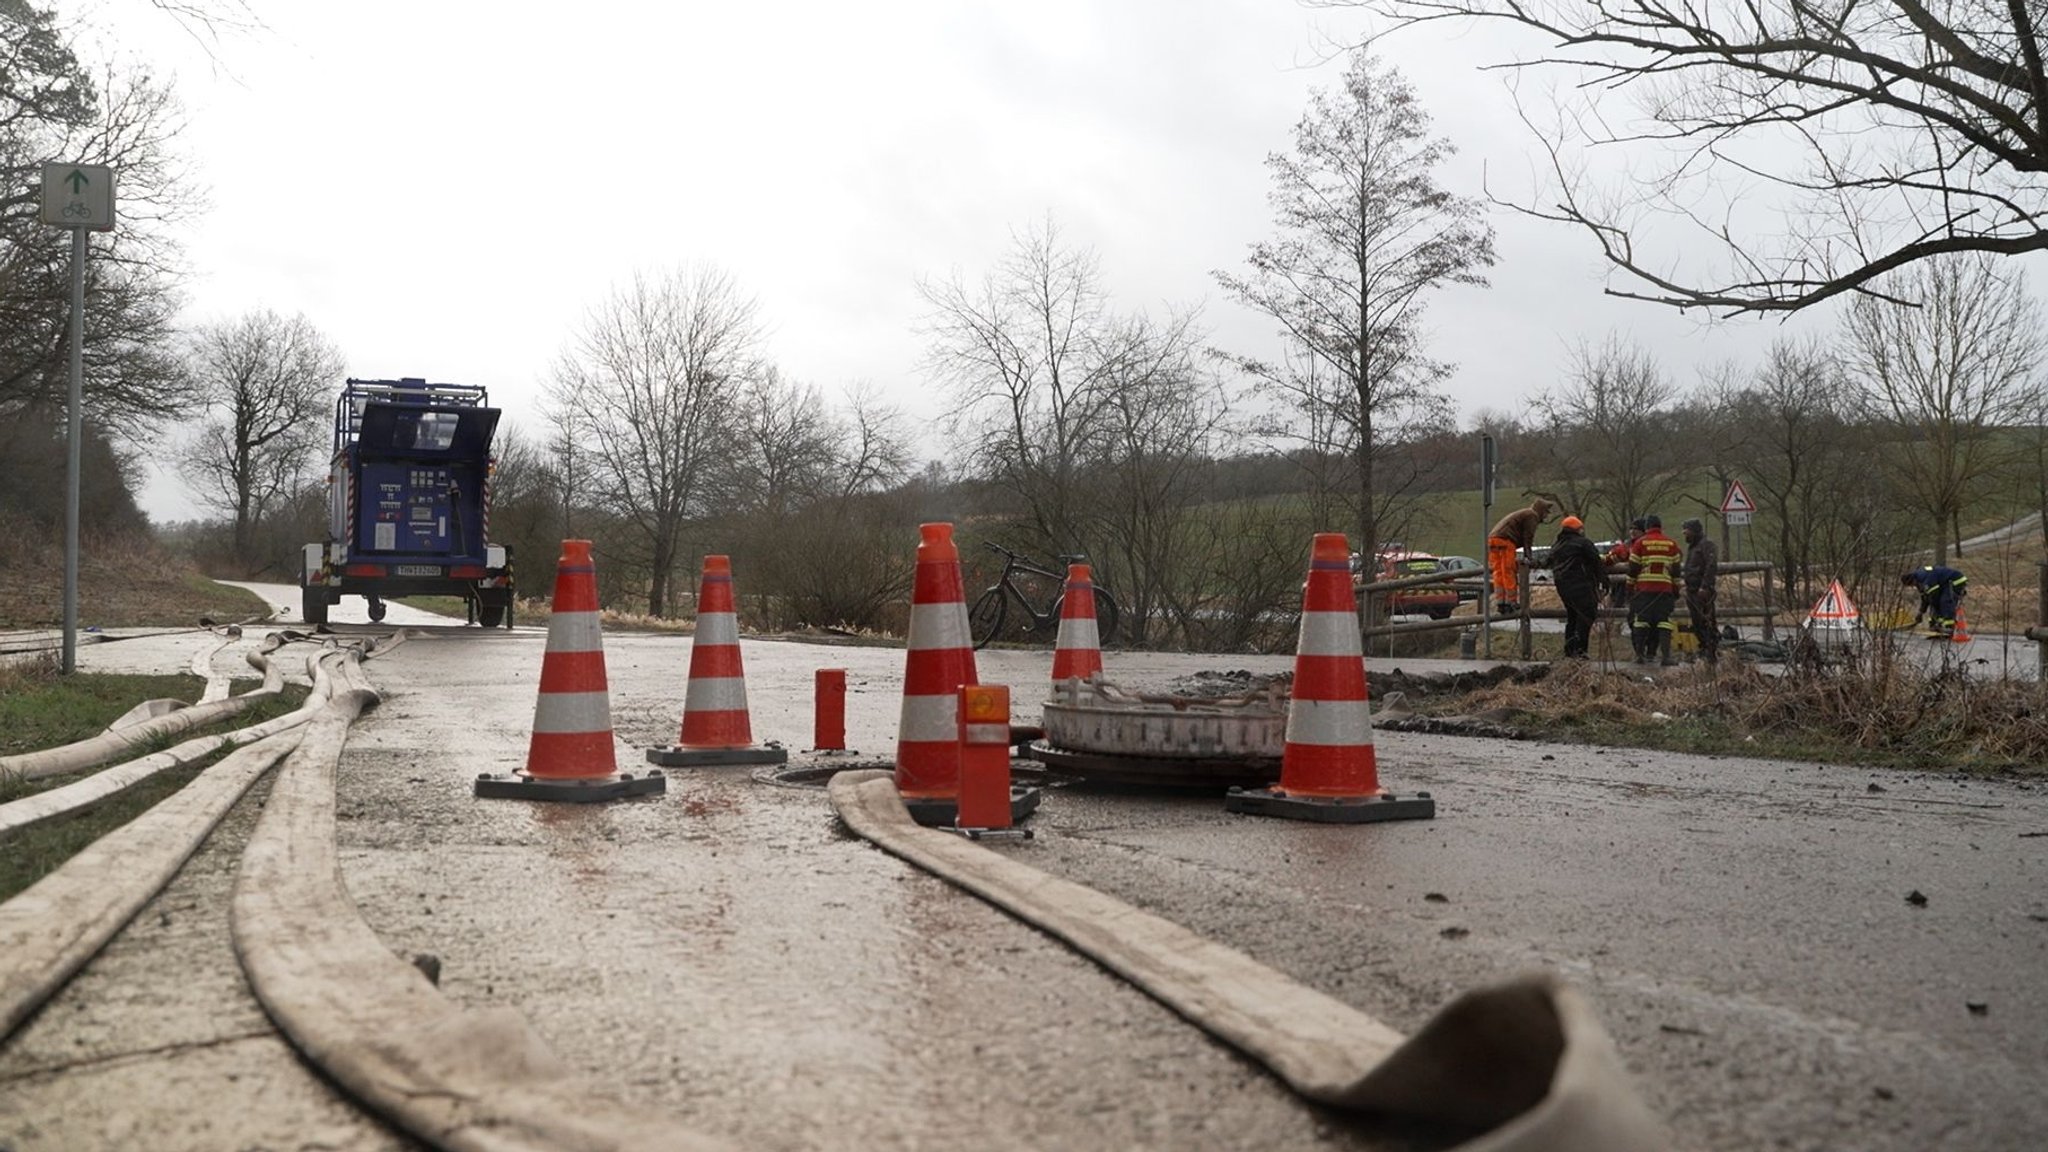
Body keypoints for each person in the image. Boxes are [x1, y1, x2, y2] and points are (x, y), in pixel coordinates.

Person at [1543, 515, 1605, 659]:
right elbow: (1596, 562)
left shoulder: (1556, 546)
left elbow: (1546, 562)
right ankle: (1580, 652)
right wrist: (1603, 581)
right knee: (1586, 616)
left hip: (1563, 588)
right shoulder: (1582, 543)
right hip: (1581, 585)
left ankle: (1569, 652)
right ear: (1578, 529)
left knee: (1572, 618)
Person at [1627, 513, 1683, 665]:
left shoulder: (1640, 543)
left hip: (1644, 589)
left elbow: (1633, 568)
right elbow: (1676, 571)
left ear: (1647, 527)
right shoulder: (1672, 544)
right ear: (1660, 527)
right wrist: (1676, 588)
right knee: (1664, 621)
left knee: (1641, 621)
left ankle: (1639, 655)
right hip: (1664, 589)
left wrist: (1630, 586)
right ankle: (1666, 657)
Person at [1486, 497, 1553, 614]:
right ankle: (1511, 601)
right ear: (1541, 511)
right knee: (1509, 571)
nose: (1546, 516)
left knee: (1499, 572)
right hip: (1506, 540)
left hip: (1493, 540)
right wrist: (1529, 557)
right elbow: (1528, 538)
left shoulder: (1524, 513)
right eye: (1546, 513)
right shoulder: (1532, 516)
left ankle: (1501, 602)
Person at [1680, 518, 1720, 665]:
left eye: (1687, 530)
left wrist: (1705, 586)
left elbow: (1710, 566)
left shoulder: (1706, 545)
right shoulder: (1693, 547)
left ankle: (1711, 650)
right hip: (1691, 590)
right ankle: (1704, 647)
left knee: (1706, 621)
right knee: (1697, 622)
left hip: (1701, 591)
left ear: (1694, 531)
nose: (1684, 534)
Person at [1902, 565, 1969, 636]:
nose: (1913, 586)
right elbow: (1925, 599)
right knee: (1936, 601)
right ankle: (1938, 624)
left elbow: (1933, 597)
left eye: (1912, 584)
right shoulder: (1919, 580)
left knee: (1945, 601)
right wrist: (1921, 613)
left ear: (1913, 580)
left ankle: (1949, 627)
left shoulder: (1926, 579)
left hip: (1955, 580)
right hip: (1944, 583)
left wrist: (1933, 620)